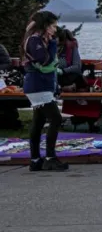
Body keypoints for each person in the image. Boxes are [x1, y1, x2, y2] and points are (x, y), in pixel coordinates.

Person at [22, 11, 68, 172]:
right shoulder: (34, 40)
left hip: (40, 85)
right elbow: (45, 60)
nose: (55, 29)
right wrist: (54, 44)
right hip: (37, 85)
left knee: (39, 121)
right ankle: (50, 158)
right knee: (55, 118)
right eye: (53, 26)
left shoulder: (40, 39)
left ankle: (35, 159)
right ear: (46, 26)